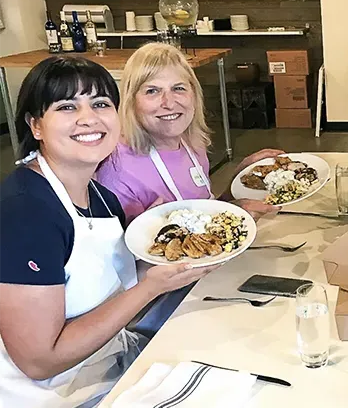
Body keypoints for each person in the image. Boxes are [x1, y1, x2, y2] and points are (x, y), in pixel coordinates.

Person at [0, 57, 213, 407]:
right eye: (67, 106)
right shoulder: (26, 213)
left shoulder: (98, 195)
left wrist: (166, 248)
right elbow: (38, 361)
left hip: (109, 366)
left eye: (100, 104)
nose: (89, 118)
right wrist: (150, 287)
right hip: (57, 396)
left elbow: (118, 286)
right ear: (35, 125)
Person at [96, 43, 281, 223]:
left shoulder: (192, 144)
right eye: (152, 91)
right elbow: (122, 252)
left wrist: (239, 180)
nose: (169, 103)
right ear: (131, 102)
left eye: (178, 88)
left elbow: (207, 211)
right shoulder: (118, 173)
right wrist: (150, 229)